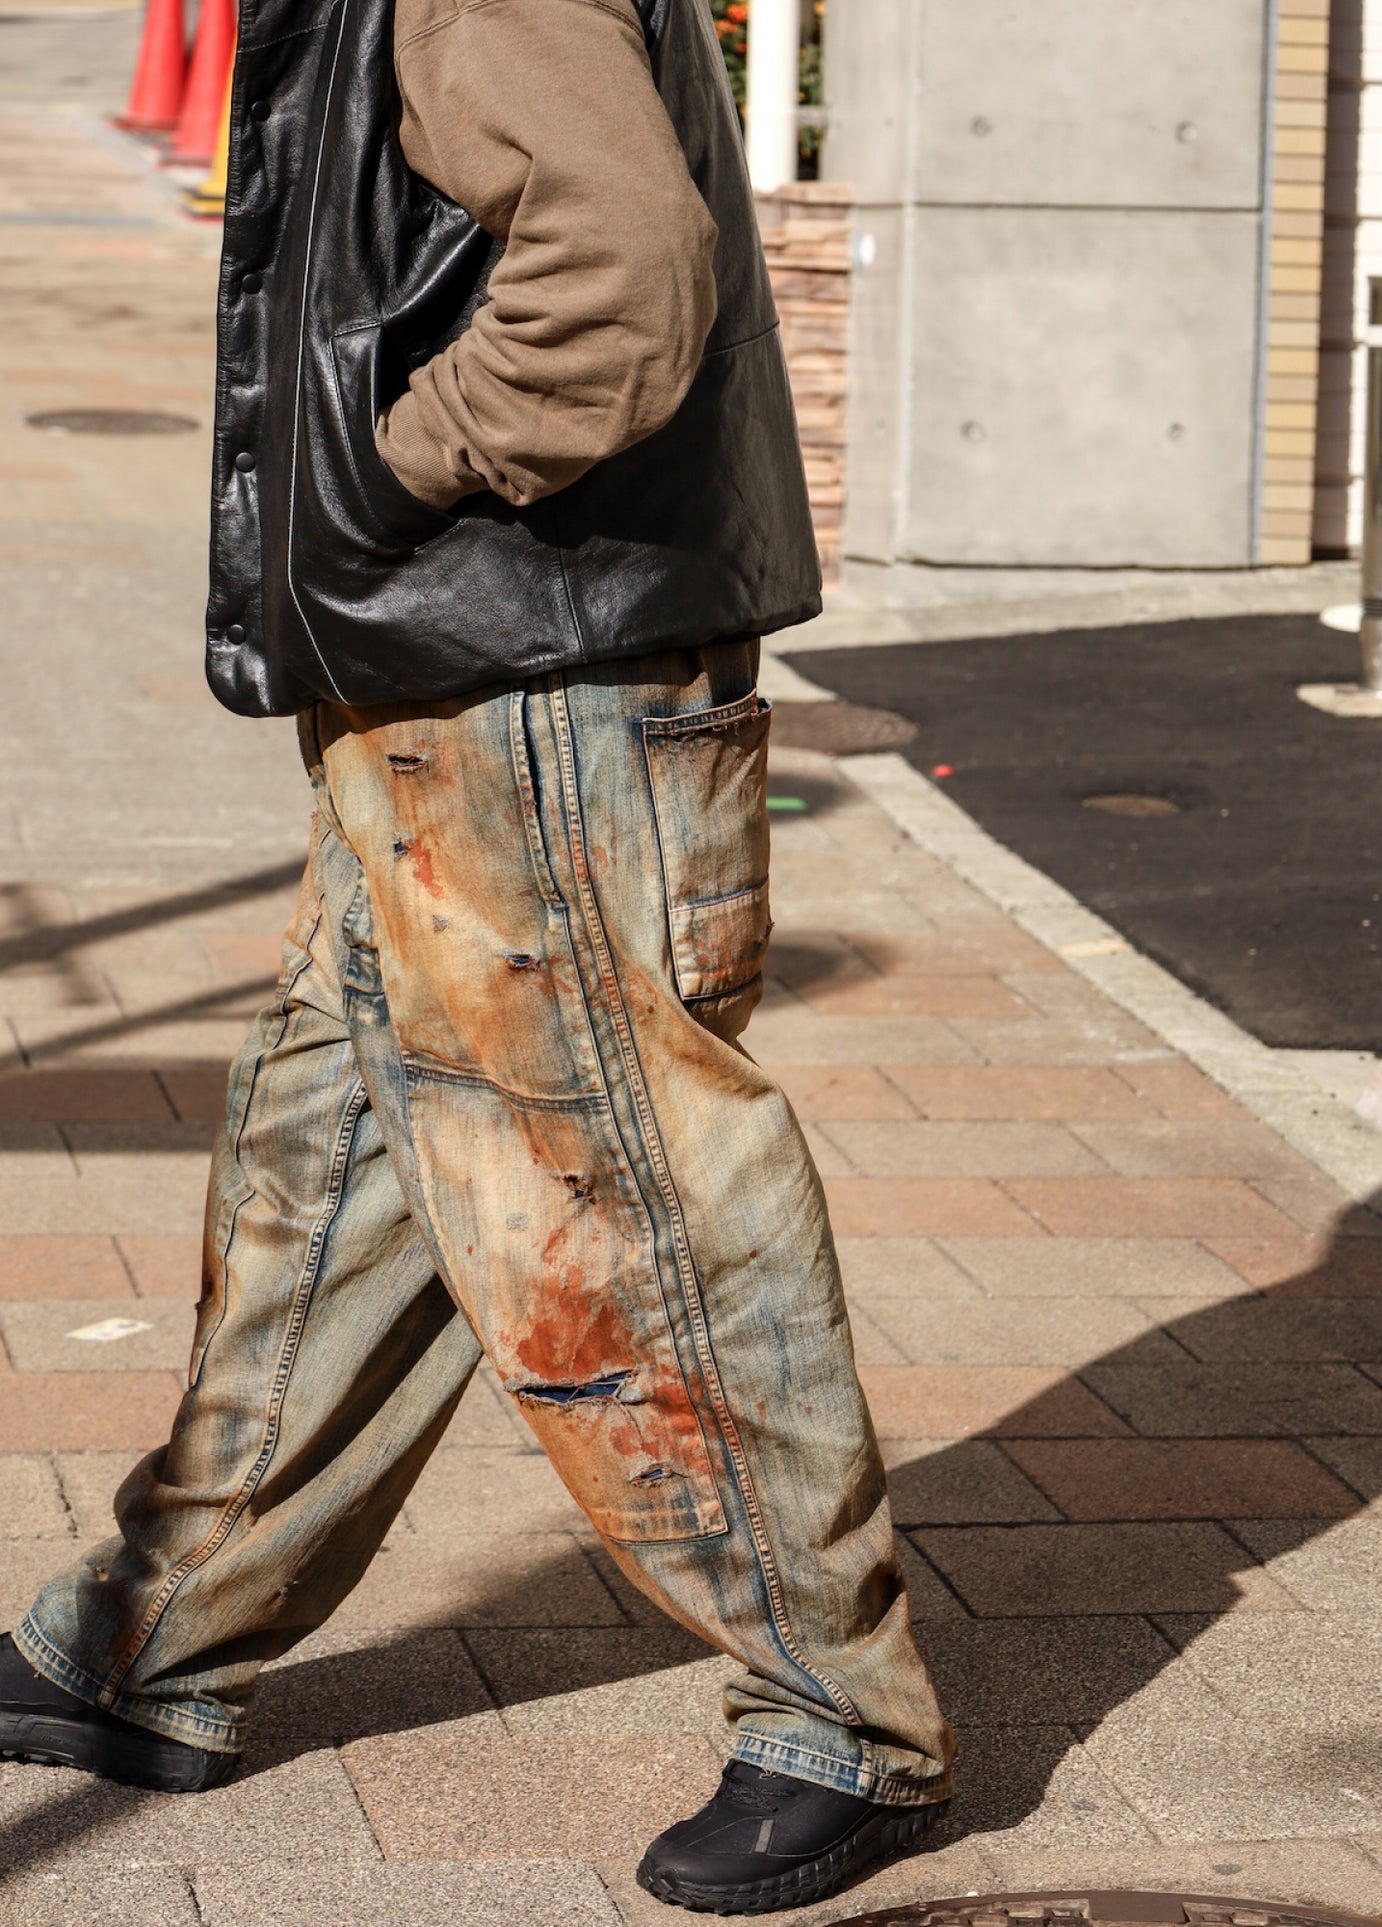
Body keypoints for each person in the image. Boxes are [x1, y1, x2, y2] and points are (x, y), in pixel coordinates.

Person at [0, 0, 956, 1911]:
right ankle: (149, 1639)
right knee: (333, 1169)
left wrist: (391, 463)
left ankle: (838, 1714)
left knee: (622, 1196)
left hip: (540, 681)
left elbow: (619, 266)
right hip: (464, 681)